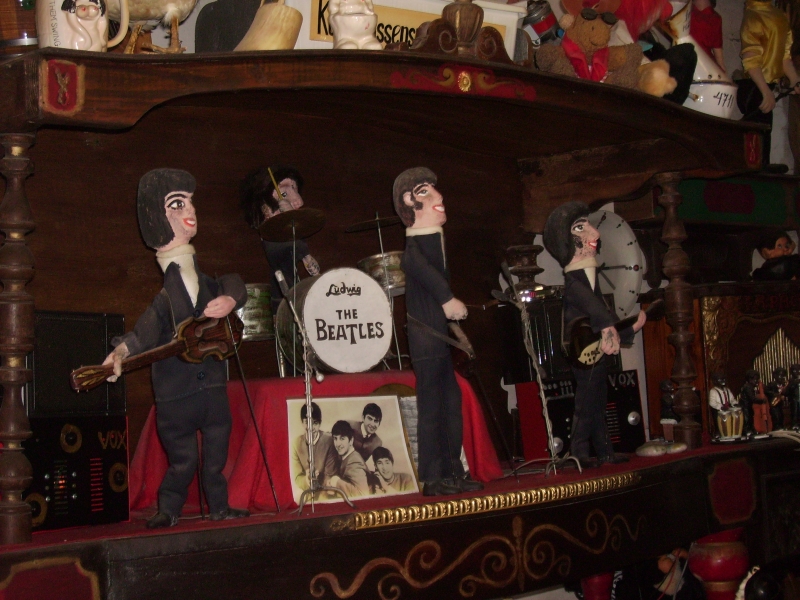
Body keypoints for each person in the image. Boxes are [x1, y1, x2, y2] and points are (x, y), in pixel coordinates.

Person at [104, 168, 250, 529]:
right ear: (158, 218)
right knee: (182, 460)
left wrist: (231, 299)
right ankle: (169, 509)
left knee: (216, 456)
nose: (191, 210)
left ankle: (219, 506)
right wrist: (121, 352)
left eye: (190, 202)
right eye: (178, 204)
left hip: (212, 388)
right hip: (176, 396)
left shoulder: (210, 284)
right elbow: (143, 333)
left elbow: (232, 280)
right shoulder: (165, 299)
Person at [393, 167, 484, 497]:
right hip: (427, 338)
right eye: (424, 191)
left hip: (436, 337)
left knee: (450, 403)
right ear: (409, 201)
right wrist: (447, 301)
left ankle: (452, 470)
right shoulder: (414, 251)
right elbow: (422, 270)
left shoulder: (430, 243)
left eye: (434, 189)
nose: (438, 196)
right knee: (432, 406)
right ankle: (433, 477)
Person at [543, 201, 646, 468]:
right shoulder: (575, 283)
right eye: (580, 227)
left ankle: (604, 452)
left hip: (593, 349)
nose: (595, 234)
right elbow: (596, 309)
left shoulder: (588, 278)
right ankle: (577, 453)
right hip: (584, 351)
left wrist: (625, 329)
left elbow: (600, 311)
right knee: (586, 404)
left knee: (598, 402)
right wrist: (616, 328)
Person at [240, 165, 320, 314]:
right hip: (274, 243)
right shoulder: (266, 206)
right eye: (283, 192)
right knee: (284, 268)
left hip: (287, 245)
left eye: (295, 188)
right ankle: (305, 257)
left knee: (285, 274)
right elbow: (273, 222)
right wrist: (283, 210)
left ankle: (284, 305)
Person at [737, 0, 800, 170]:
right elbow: (751, 59)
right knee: (756, 129)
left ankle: (761, 164)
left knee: (764, 128)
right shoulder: (754, 16)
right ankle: (756, 166)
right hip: (754, 85)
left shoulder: (779, 17)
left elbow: (784, 56)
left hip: (765, 85)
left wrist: (794, 79)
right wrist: (764, 90)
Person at [290, 401, 337, 492]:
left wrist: (319, 484)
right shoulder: (296, 444)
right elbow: (297, 477)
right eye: (307, 422)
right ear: (302, 422)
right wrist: (306, 480)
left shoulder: (329, 441)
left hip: (325, 490)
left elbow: (330, 475)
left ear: (320, 423)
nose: (311, 427)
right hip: (308, 491)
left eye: (315, 423)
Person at [327, 420, 369, 499]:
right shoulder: (346, 456)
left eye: (342, 439)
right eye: (335, 438)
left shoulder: (354, 461)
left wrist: (336, 482)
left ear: (351, 441)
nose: (338, 444)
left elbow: (363, 494)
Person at [690, 0, 725, 73]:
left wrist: (723, 73)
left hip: (705, 66)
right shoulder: (687, 13)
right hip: (686, 61)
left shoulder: (715, 18)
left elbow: (718, 53)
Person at [708, 371, 739, 438]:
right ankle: (718, 432)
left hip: (728, 409)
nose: (723, 381)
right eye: (720, 379)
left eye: (724, 379)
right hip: (718, 410)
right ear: (715, 381)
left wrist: (735, 403)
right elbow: (712, 403)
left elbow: (732, 399)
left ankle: (732, 432)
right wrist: (720, 407)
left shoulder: (727, 390)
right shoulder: (713, 391)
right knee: (717, 422)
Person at [740, 369, 770, 435]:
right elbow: (752, 398)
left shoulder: (750, 387)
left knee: (751, 418)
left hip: (749, 406)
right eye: (754, 379)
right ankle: (747, 430)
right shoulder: (747, 387)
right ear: (749, 379)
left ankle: (752, 429)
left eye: (757, 379)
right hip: (745, 407)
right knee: (747, 419)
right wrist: (761, 401)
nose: (756, 381)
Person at [765, 366, 788, 431]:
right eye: (780, 375)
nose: (782, 378)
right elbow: (766, 391)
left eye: (783, 376)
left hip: (780, 403)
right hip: (773, 403)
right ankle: (776, 427)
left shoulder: (783, 385)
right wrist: (775, 394)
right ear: (775, 376)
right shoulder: (772, 384)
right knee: (776, 416)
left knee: (781, 415)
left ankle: (781, 426)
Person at [786, 363, 800, 430]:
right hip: (794, 400)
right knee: (795, 413)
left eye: (798, 370)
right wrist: (795, 382)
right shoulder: (791, 381)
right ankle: (794, 425)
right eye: (795, 370)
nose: (797, 372)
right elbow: (788, 390)